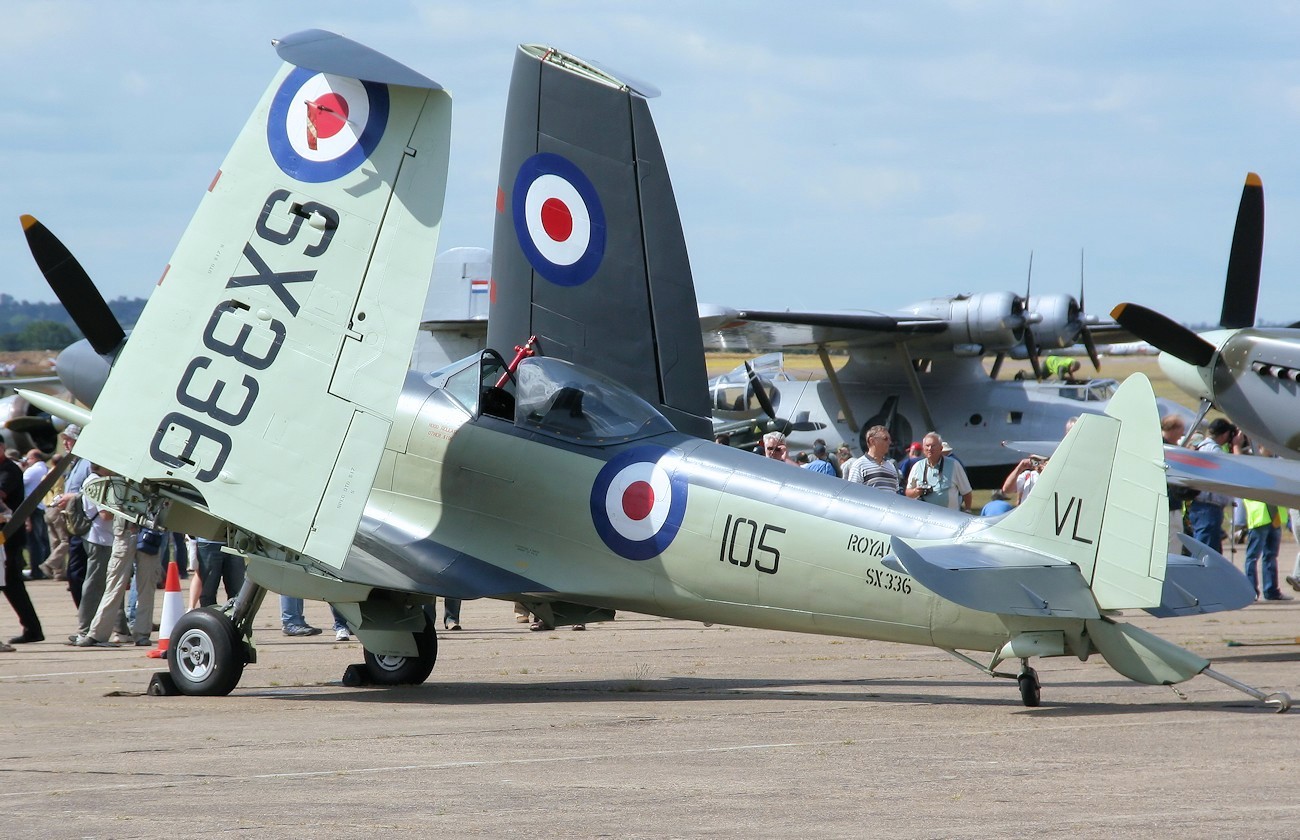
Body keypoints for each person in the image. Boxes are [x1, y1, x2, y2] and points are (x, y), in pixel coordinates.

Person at [1, 445, 43, 644]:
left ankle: (33, 629)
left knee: (12, 584)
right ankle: (32, 629)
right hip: (5, 539)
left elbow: (2, 495)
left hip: (8, 539)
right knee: (12, 585)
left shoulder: (8, 470)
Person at [1188, 418, 1241, 554]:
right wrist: (1236, 446)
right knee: (1205, 553)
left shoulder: (1201, 447)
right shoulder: (1213, 451)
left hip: (1201, 506)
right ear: (1224, 435)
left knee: (1208, 550)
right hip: (1208, 507)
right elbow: (1236, 471)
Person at [1241, 494, 1292, 601]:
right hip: (1259, 518)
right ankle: (1251, 592)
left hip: (1275, 517)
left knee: (1271, 556)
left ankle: (1271, 591)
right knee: (1253, 556)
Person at [904, 432, 972, 512]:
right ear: (923, 449)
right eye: (927, 446)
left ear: (941, 448)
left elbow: (966, 491)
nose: (930, 448)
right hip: (924, 517)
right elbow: (908, 492)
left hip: (949, 518)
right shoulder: (917, 466)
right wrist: (916, 491)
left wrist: (968, 510)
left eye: (933, 446)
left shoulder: (954, 465)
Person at [20, 449, 49, 580]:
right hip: (41, 506)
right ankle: (44, 568)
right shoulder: (45, 469)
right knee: (43, 540)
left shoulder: (32, 471)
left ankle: (36, 570)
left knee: (34, 541)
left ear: (33, 458)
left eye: (28, 459)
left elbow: (19, 482)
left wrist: (22, 469)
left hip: (31, 508)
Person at [846, 425, 900, 491]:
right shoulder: (859, 465)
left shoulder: (891, 466)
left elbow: (896, 492)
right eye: (885, 439)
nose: (889, 442)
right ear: (872, 441)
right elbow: (853, 491)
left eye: (889, 439)